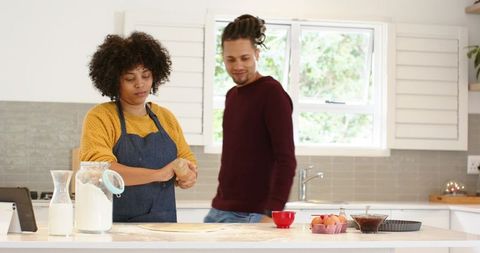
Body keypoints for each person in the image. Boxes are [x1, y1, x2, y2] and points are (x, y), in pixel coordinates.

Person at [80, 31, 198, 222]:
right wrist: (159, 174)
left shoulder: (165, 118)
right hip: (115, 228)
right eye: (130, 78)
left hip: (163, 229)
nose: (140, 84)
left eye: (146, 75)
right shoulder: (101, 117)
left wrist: (187, 175)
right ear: (113, 80)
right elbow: (101, 172)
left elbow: (188, 164)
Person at [204, 14, 297, 223]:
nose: (237, 65)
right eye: (230, 59)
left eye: (245, 58)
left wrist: (272, 213)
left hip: (252, 215)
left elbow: (286, 160)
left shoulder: (272, 93)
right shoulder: (231, 96)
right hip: (219, 210)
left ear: (257, 54)